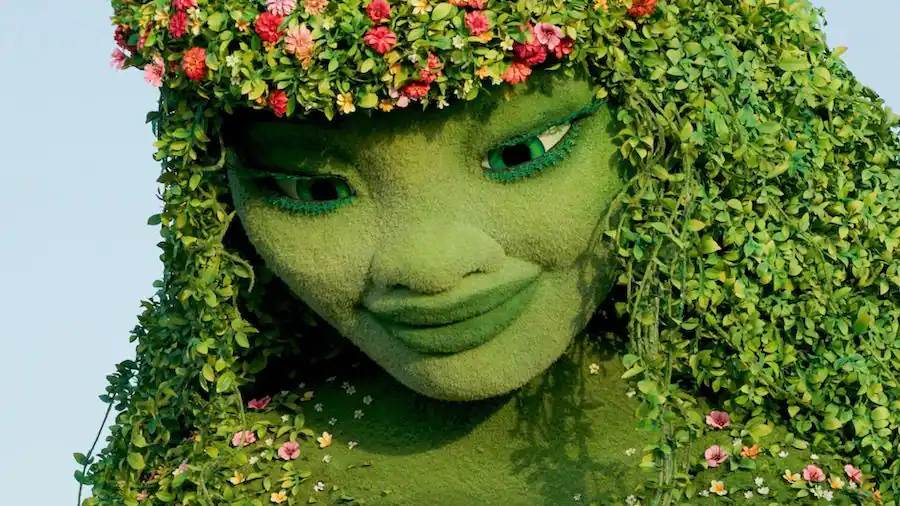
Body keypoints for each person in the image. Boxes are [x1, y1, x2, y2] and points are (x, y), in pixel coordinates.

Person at [83, 0, 899, 504]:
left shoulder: (780, 481)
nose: (428, 264)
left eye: (521, 152)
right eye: (312, 189)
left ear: (680, 127)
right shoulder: (216, 489)